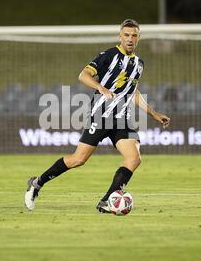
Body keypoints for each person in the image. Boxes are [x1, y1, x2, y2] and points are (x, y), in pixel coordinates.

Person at [24, 19, 170, 213]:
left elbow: (131, 90)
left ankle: (106, 200)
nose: (130, 39)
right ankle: (37, 183)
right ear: (120, 36)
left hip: (122, 119)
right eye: (126, 35)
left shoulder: (139, 63)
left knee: (134, 158)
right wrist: (100, 87)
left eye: (134, 35)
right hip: (101, 115)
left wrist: (153, 113)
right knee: (78, 159)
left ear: (138, 38)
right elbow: (83, 75)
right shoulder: (108, 55)